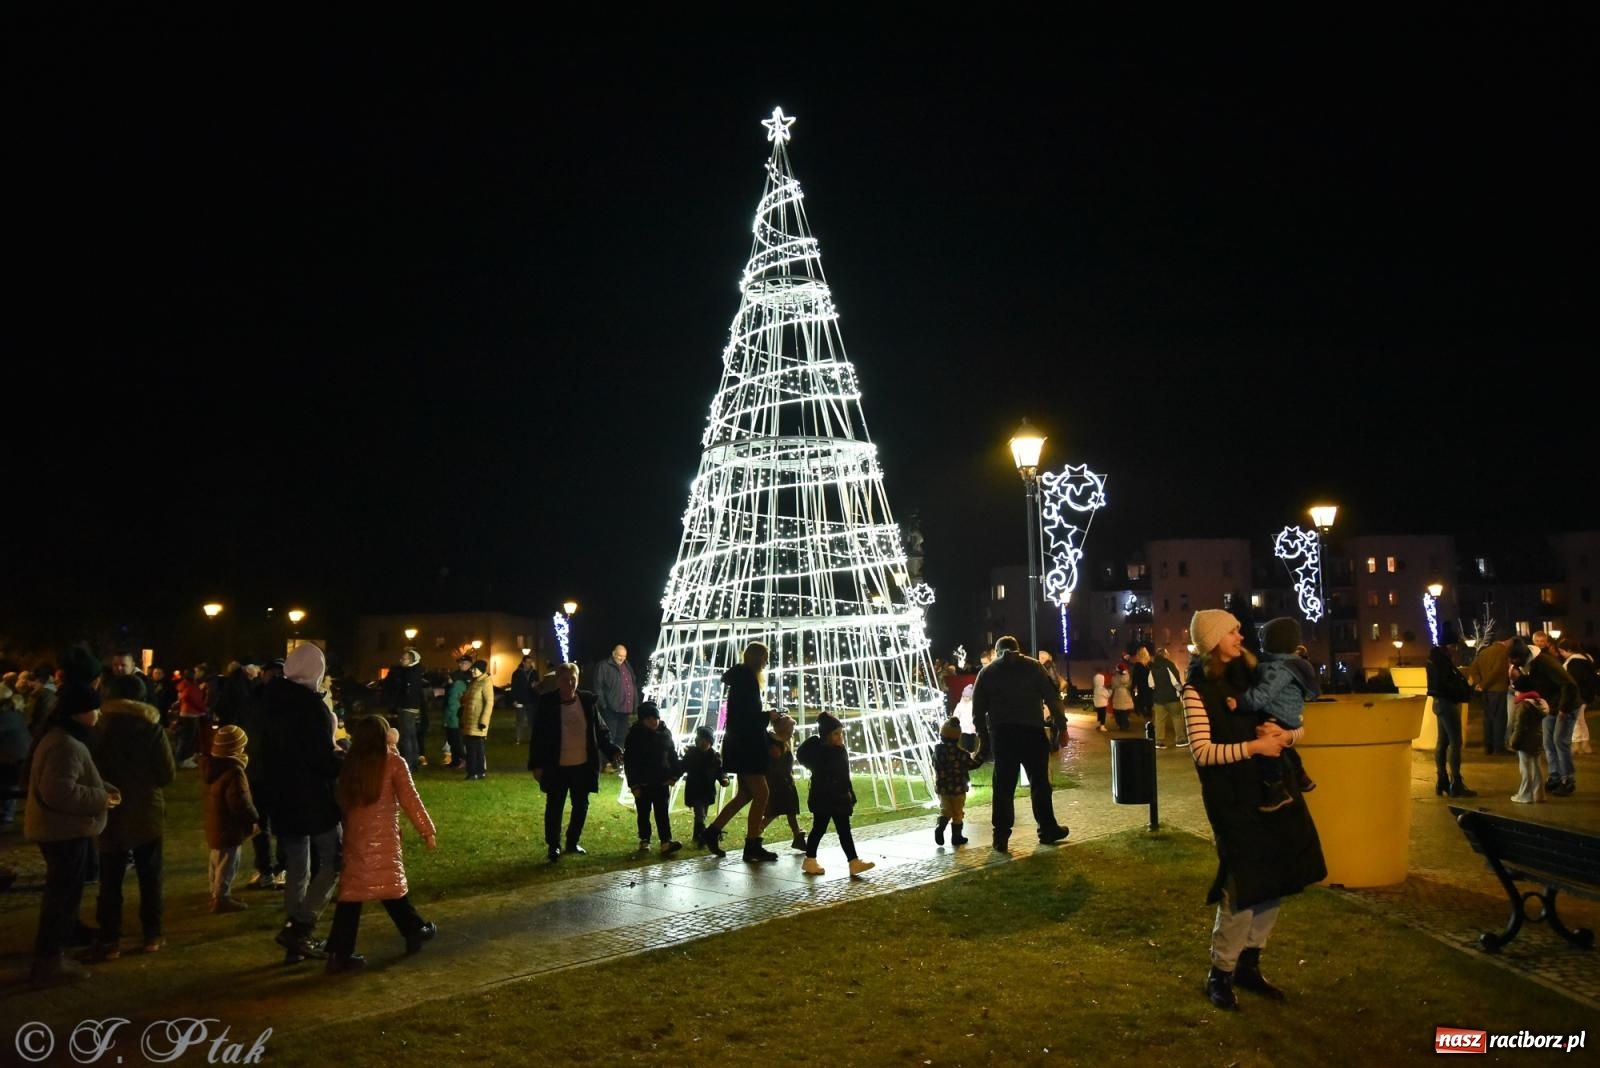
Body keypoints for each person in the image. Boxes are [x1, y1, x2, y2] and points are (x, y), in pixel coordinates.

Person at [1183, 609, 1325, 1011]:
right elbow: (1202, 752)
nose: (1240, 634)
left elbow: (1294, 722)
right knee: (1242, 888)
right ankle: (1221, 972)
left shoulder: (1256, 673)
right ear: (1212, 642)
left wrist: (1286, 735)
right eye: (1232, 630)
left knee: (1276, 879)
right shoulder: (1195, 690)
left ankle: (1250, 963)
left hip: (1276, 792)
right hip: (1233, 800)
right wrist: (1254, 748)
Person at [323, 715, 437, 974]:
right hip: (384, 835)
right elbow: (410, 798)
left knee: (353, 892)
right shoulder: (393, 762)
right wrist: (427, 830)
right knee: (389, 884)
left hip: (356, 835)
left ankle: (339, 952)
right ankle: (414, 930)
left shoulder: (351, 762)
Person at [26, 682, 118, 986]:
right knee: (61, 894)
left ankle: (65, 938)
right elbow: (57, 790)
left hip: (60, 827)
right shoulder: (65, 744)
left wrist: (101, 789)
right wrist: (99, 798)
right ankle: (50, 959)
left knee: (65, 891)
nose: (99, 713)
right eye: (95, 708)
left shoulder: (62, 737)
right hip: (61, 830)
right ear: (81, 713)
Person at [259, 642, 344, 964]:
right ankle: (302, 926)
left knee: (297, 866)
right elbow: (320, 758)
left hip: (281, 795)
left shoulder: (271, 701)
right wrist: (342, 760)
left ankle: (293, 935)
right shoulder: (310, 707)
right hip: (311, 797)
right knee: (334, 858)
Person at [89, 675, 175, 959]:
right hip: (145, 811)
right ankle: (152, 934)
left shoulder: (98, 729)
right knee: (150, 876)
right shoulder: (150, 728)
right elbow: (166, 773)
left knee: (110, 879)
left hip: (109, 810)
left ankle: (109, 939)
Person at [971, 634, 1067, 852]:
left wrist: (983, 737)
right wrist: (1061, 726)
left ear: (997, 651)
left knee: (1003, 786)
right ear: (1018, 649)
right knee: (1040, 783)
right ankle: (1047, 828)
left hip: (1003, 734)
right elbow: (1052, 698)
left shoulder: (987, 672)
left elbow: (977, 710)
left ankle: (1001, 836)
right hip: (1031, 732)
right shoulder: (1034, 667)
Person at [528, 663, 619, 861]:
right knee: (555, 806)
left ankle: (572, 842)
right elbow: (538, 736)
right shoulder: (548, 703)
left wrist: (611, 749)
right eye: (565, 679)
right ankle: (554, 845)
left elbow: (600, 730)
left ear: (578, 680)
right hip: (557, 765)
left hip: (582, 764)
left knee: (581, 805)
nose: (569, 683)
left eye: (573, 679)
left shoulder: (587, 702)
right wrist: (536, 764)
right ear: (557, 681)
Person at [701, 641, 778, 862]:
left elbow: (743, 714)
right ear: (756, 658)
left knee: (745, 795)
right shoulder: (747, 681)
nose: (766, 662)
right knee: (762, 793)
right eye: (764, 657)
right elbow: (747, 718)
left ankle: (712, 831)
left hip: (740, 744)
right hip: (746, 747)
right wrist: (768, 716)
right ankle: (752, 844)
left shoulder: (741, 679)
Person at [1233, 617, 1320, 812]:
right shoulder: (1293, 664)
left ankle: (1276, 789)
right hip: (1291, 717)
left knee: (1270, 750)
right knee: (1286, 748)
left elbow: (1264, 693)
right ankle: (1301, 777)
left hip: (1277, 714)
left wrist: (1242, 702)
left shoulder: (1280, 669)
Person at [795, 712, 873, 878]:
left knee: (844, 830)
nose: (840, 737)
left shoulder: (840, 750)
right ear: (827, 735)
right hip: (823, 797)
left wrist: (850, 793)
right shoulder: (820, 752)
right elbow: (803, 755)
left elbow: (845, 775)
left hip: (839, 798)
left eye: (840, 733)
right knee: (819, 828)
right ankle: (810, 859)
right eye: (836, 733)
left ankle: (853, 862)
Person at [1511, 635, 1579, 796]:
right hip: (1552, 706)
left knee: (1559, 741)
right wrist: (1518, 681)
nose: (1513, 662)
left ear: (1522, 656)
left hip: (1565, 706)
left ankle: (1568, 780)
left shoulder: (1544, 663)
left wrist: (1564, 708)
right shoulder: (1531, 665)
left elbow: (1569, 684)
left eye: (1514, 659)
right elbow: (1535, 683)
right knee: (1548, 742)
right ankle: (1554, 776)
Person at [205, 724, 258, 913]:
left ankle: (215, 892)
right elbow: (240, 801)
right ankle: (221, 897)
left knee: (217, 860)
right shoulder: (235, 771)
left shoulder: (215, 768)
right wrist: (253, 818)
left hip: (217, 825)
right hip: (229, 827)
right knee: (228, 863)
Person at [623, 700, 684, 856]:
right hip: (643, 784)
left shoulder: (665, 733)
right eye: (649, 719)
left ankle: (666, 841)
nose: (653, 722)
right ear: (643, 720)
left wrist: (675, 775)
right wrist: (634, 784)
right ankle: (645, 840)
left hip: (661, 782)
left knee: (662, 813)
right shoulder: (635, 736)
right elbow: (630, 762)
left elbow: (672, 755)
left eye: (655, 718)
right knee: (643, 813)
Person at [932, 715, 982, 846]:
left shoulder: (937, 751)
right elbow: (972, 764)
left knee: (945, 809)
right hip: (958, 787)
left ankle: (940, 827)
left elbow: (935, 765)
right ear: (957, 737)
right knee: (958, 812)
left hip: (943, 787)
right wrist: (980, 755)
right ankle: (956, 836)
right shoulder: (960, 753)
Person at [759, 713, 805, 851]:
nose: (791, 734)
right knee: (772, 812)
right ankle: (756, 833)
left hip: (786, 783)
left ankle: (797, 835)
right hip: (778, 784)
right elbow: (775, 767)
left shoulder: (783, 743)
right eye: (789, 731)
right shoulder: (775, 745)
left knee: (790, 811)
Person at [379, 647, 426, 773]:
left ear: (411, 660)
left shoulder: (409, 673)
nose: (401, 660)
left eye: (404, 658)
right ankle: (414, 763)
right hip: (413, 707)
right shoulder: (416, 672)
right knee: (412, 736)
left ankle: (408, 764)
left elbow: (405, 691)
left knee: (406, 737)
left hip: (407, 708)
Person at [1507, 662, 1548, 804]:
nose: (1515, 693)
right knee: (1537, 767)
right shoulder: (1539, 702)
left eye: (1516, 690)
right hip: (1537, 739)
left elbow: (1519, 727)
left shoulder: (1523, 706)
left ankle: (1525, 795)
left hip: (1525, 741)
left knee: (1525, 769)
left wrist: (1514, 742)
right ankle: (1539, 794)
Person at [682, 725, 729, 847]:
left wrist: (724, 779)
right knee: (700, 813)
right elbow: (682, 766)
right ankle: (702, 836)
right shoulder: (692, 754)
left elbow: (720, 770)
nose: (704, 743)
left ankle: (698, 835)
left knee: (703, 813)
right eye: (701, 740)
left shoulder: (714, 756)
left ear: (710, 742)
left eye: (707, 741)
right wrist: (673, 776)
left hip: (707, 790)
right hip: (695, 789)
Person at [1466, 637, 1513, 756]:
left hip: (1486, 692)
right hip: (1498, 689)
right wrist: (1483, 685)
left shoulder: (1484, 652)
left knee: (1488, 718)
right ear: (1506, 641)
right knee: (1499, 718)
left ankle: (1488, 746)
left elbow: (1473, 668)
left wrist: (1478, 683)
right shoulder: (1503, 653)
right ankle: (1498, 747)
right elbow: (1496, 672)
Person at [593, 645, 639, 762]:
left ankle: (617, 762)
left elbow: (632, 684)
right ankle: (605, 763)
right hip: (610, 709)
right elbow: (598, 686)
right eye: (619, 656)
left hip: (625, 710)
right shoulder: (603, 666)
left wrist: (634, 706)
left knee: (622, 737)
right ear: (613, 654)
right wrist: (603, 705)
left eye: (624, 656)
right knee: (608, 737)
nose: (621, 659)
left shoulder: (627, 665)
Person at [1558, 637, 1597, 756]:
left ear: (1568, 650)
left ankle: (1576, 745)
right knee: (1580, 720)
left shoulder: (1574, 663)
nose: (1561, 654)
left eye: (1562, 651)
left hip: (1577, 696)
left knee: (1574, 720)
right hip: (1584, 695)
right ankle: (1585, 745)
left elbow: (1573, 681)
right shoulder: (1585, 660)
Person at [1149, 646, 1188, 749]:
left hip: (1158, 698)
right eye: (1167, 653)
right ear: (1164, 655)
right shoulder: (1169, 665)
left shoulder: (1153, 667)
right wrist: (1180, 690)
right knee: (1177, 717)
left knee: (1159, 720)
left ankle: (1159, 741)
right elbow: (1175, 681)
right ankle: (1180, 739)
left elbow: (1151, 684)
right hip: (1171, 697)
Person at [460, 658, 493, 780]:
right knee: (472, 748)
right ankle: (478, 771)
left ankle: (474, 772)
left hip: (478, 722)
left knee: (475, 748)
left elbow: (489, 703)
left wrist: (483, 721)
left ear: (481, 670)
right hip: (470, 721)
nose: (472, 670)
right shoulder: (475, 682)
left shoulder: (486, 682)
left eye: (475, 669)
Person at [441, 654, 471, 770]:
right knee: (452, 738)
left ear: (469, 664)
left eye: (463, 663)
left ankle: (462, 760)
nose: (460, 665)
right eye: (460, 663)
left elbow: (454, 700)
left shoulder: (462, 680)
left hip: (457, 713)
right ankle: (455, 760)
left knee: (456, 738)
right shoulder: (456, 676)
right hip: (452, 712)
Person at [511, 653, 539, 747]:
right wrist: (514, 699)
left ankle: (532, 739)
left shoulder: (534, 672)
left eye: (531, 662)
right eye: (527, 662)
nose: (529, 664)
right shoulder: (517, 673)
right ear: (523, 662)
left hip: (531, 700)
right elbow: (514, 687)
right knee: (520, 721)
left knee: (532, 721)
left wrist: (536, 685)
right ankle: (518, 739)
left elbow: (538, 684)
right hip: (520, 701)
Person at [1092, 668, 1112, 733]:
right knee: (1103, 715)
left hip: (1097, 703)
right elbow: (1107, 695)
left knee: (1099, 714)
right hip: (1103, 704)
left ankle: (1099, 725)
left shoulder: (1096, 689)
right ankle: (1102, 726)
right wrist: (1110, 691)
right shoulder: (1102, 689)